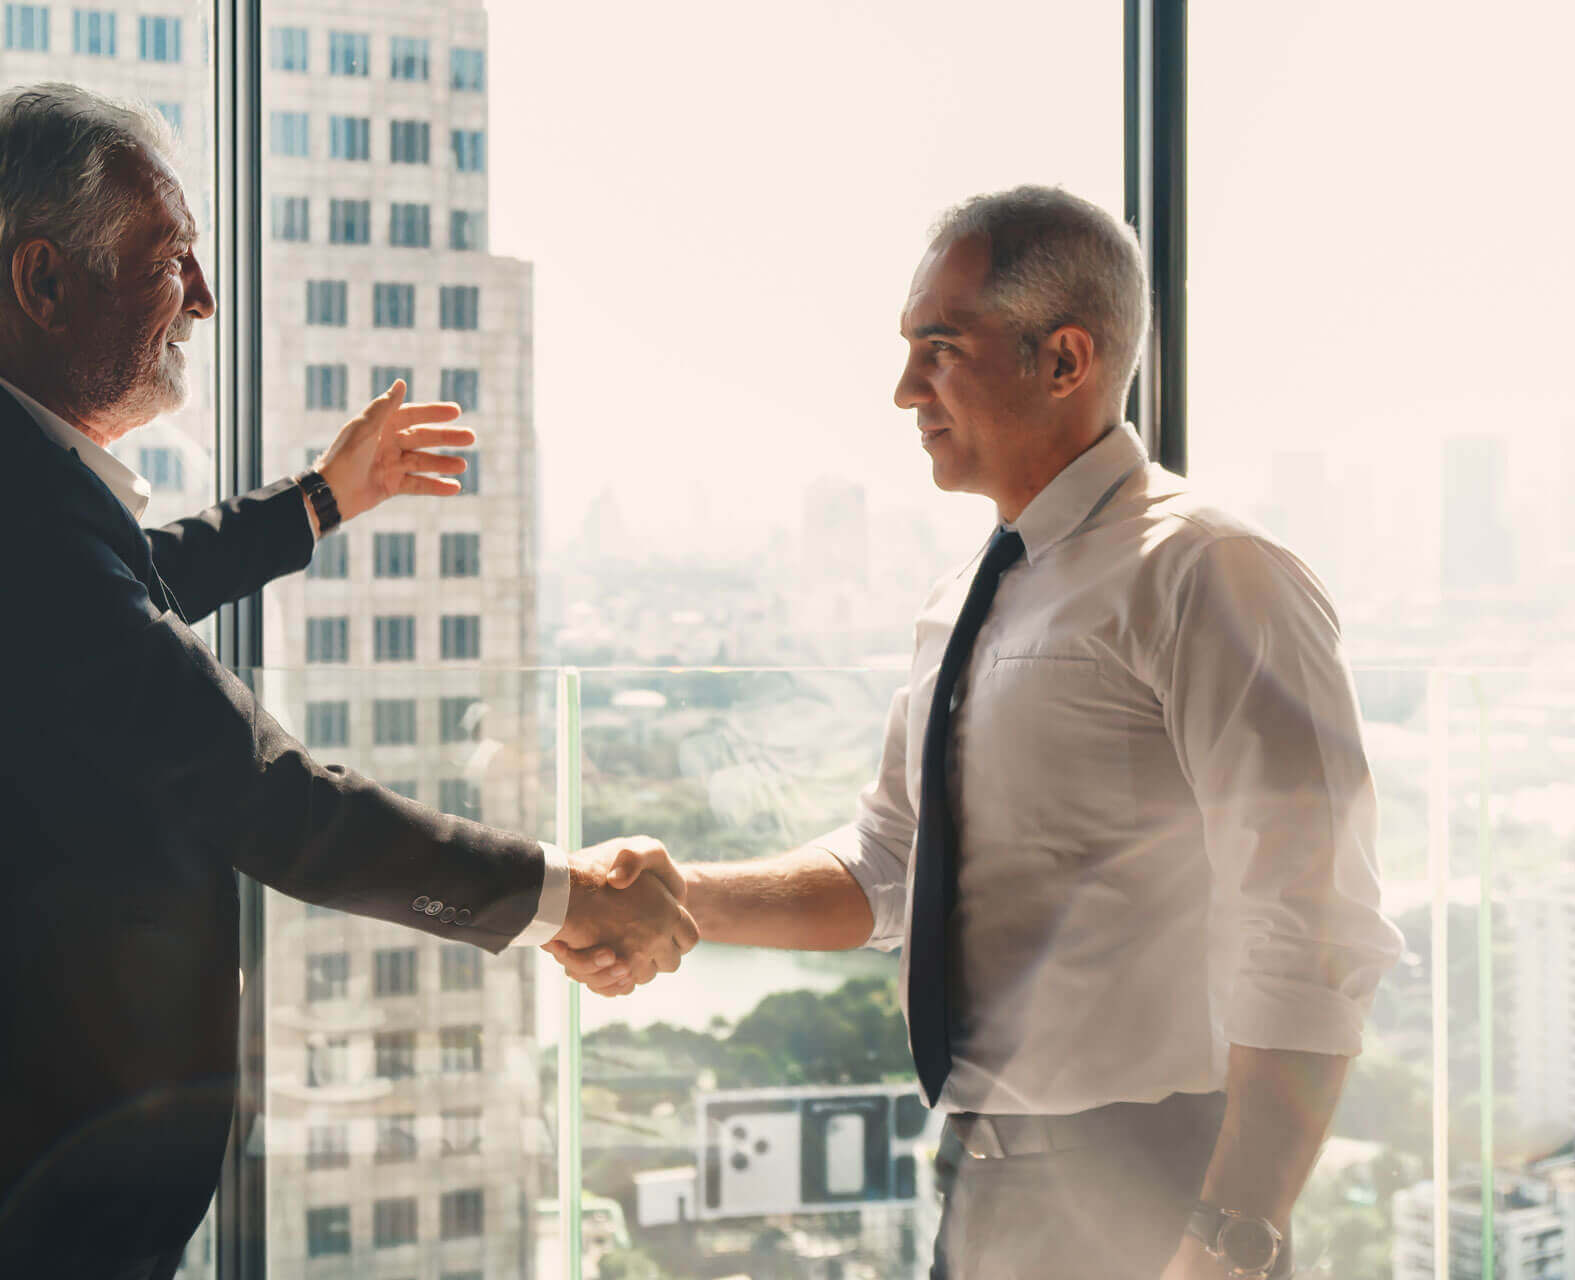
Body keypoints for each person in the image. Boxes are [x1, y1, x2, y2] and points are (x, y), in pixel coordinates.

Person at [0, 82, 694, 1280]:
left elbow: (119, 590)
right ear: (45, 280)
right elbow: (264, 791)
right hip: (21, 1187)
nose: (205, 299)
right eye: (173, 260)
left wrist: (320, 499)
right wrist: (559, 896)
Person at [548, 186, 1403, 1280]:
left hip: (1151, 1186)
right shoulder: (966, 598)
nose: (905, 388)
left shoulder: (1211, 575)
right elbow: (893, 865)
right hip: (982, 1180)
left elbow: (1313, 932)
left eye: (939, 350)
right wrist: (683, 897)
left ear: (1065, 360)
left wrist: (1231, 1238)